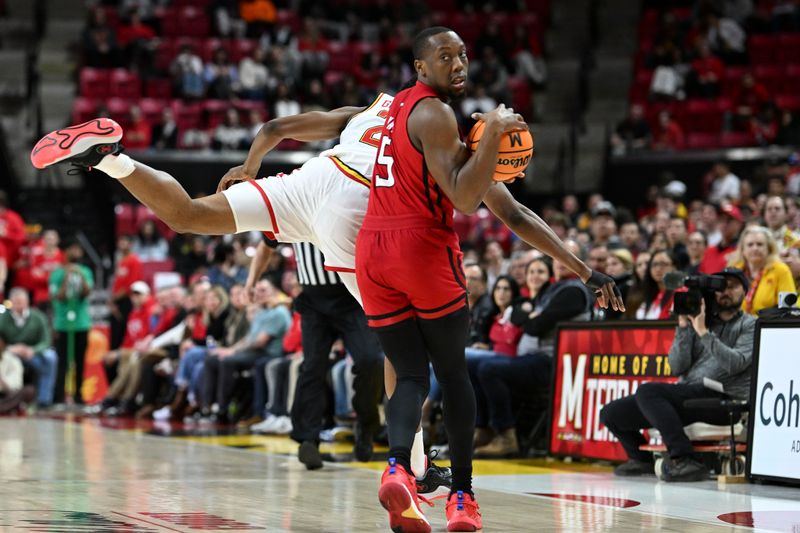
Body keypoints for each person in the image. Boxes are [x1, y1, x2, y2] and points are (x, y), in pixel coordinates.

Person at [31, 37, 622, 526]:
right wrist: (584, 268)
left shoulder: (380, 106)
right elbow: (514, 215)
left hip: (313, 177)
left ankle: (111, 160)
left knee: (190, 215)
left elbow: (274, 124)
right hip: (363, 211)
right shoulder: (439, 135)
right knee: (406, 349)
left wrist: (254, 163)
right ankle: (415, 466)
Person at [354, 27, 619, 533]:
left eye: (463, 55)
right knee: (453, 375)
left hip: (375, 249)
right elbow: (463, 198)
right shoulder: (435, 113)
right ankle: (462, 497)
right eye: (444, 56)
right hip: (420, 249)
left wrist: (584, 270)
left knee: (409, 373)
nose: (458, 64)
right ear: (420, 67)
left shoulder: (398, 110)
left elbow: (513, 213)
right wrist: (494, 136)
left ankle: (397, 470)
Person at [601, 268, 755, 481]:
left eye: (732, 286)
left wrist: (703, 332)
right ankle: (641, 460)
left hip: (724, 400)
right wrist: (684, 327)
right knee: (612, 413)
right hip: (690, 394)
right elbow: (676, 367)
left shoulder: (750, 324)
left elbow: (735, 364)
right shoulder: (700, 320)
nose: (725, 292)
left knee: (649, 391)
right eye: (721, 287)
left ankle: (683, 458)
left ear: (745, 291)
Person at [49, 238, 93, 406]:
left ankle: (78, 396)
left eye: (77, 249)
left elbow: (86, 292)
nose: (75, 253)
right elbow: (57, 296)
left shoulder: (86, 271)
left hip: (81, 323)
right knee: (63, 362)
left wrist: (79, 274)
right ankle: (58, 396)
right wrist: (67, 276)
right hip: (62, 323)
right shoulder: (57, 273)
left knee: (80, 361)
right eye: (72, 249)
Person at [0, 288, 57, 408]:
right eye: (16, 302)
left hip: (32, 353)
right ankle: (13, 396)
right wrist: (11, 348)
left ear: (27, 302)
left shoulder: (38, 317)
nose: (19, 305)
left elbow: (46, 341)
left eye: (21, 302)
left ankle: (44, 401)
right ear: (10, 302)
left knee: (50, 358)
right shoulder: (3, 318)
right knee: (12, 364)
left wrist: (33, 350)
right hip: (10, 353)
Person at [729, 226, 796, 315]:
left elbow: (788, 309)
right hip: (738, 325)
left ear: (769, 248)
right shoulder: (734, 271)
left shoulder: (780, 270)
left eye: (759, 244)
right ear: (743, 250)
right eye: (750, 245)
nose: (755, 248)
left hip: (769, 326)